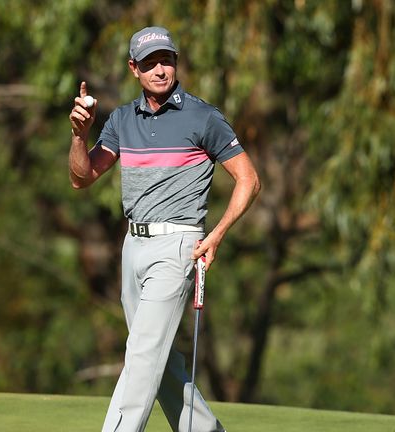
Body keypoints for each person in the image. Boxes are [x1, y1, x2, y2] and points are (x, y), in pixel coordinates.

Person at [68, 25, 261, 432]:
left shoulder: (202, 117)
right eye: (150, 62)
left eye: (167, 60)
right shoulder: (121, 120)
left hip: (178, 245)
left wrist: (218, 233)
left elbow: (248, 179)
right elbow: (81, 178)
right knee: (159, 362)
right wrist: (78, 136)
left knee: (141, 356)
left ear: (176, 63)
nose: (160, 70)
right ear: (133, 68)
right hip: (132, 246)